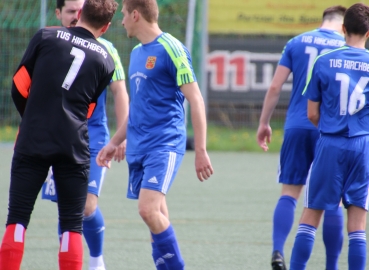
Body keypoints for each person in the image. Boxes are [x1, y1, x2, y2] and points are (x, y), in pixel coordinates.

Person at [0, 0, 118, 269]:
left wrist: (32, 118)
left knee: (17, 219)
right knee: (71, 227)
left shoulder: (46, 35)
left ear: (78, 14)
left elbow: (18, 86)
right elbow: (87, 110)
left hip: (33, 139)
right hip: (73, 146)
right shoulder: (106, 60)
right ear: (107, 26)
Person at [96, 0, 214, 269]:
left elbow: (195, 100)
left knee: (147, 209)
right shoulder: (137, 53)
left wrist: (202, 150)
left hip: (165, 143)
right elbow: (136, 111)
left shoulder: (172, 49)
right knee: (156, 213)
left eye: (124, 14)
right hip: (140, 146)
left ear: (136, 15)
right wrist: (114, 142)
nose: (121, 20)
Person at [256, 5, 347, 270]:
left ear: (323, 21)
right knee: (334, 199)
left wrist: (264, 122)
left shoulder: (296, 42)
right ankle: (331, 265)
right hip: (329, 129)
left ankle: (277, 251)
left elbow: (275, 86)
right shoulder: (346, 46)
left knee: (290, 192)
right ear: (343, 25)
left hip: (297, 126)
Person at [41, 1, 129, 269]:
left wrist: (122, 134)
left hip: (93, 138)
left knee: (86, 206)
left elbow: (119, 92)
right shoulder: (51, 43)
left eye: (80, 11)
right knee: (67, 206)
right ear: (58, 14)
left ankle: (96, 260)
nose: (75, 16)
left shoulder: (107, 49)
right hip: (57, 136)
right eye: (70, 11)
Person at [290, 3, 369, 269]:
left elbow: (312, 113)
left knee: (311, 215)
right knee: (357, 226)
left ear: (343, 29)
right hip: (362, 146)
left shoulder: (323, 62)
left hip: (330, 143)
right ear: (368, 33)